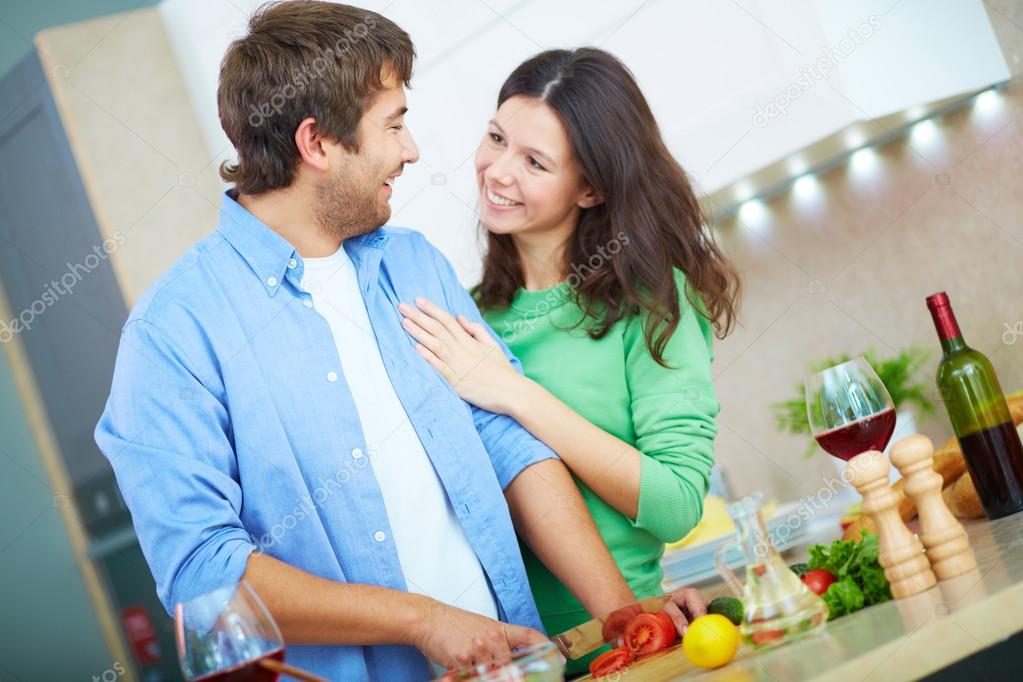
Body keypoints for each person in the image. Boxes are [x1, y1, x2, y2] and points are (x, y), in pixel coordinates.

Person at [94, 6, 638, 680]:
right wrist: (422, 619)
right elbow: (203, 573)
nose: (410, 151)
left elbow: (507, 446)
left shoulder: (414, 265)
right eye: (394, 125)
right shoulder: (172, 334)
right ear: (317, 144)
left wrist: (620, 611)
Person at [398, 47, 741, 675]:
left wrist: (514, 393)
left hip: (628, 649)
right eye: (497, 138)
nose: (498, 171)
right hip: (507, 662)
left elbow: (675, 504)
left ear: (590, 188)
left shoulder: (653, 304)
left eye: (534, 162)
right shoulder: (467, 320)